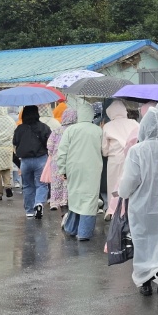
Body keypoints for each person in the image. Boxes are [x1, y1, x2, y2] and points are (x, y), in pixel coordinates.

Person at [117, 106, 158, 297]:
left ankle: (145, 281)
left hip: (141, 207)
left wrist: (122, 192)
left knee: (143, 243)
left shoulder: (136, 151)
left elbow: (130, 181)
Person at [57, 96, 104, 240]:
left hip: (73, 168)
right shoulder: (98, 131)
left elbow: (62, 151)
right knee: (89, 198)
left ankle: (71, 228)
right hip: (93, 168)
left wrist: (62, 169)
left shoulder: (70, 130)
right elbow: (104, 150)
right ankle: (84, 232)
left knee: (75, 197)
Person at [14, 105, 52, 218]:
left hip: (25, 161)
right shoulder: (43, 127)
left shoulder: (20, 128)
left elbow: (15, 142)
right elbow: (49, 143)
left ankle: (29, 211)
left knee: (27, 185)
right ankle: (39, 203)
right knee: (41, 184)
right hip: (40, 159)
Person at [102, 100, 138, 218]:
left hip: (115, 159)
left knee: (114, 186)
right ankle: (127, 209)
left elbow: (104, 149)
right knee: (129, 183)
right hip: (132, 157)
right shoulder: (134, 123)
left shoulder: (107, 126)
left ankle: (113, 210)